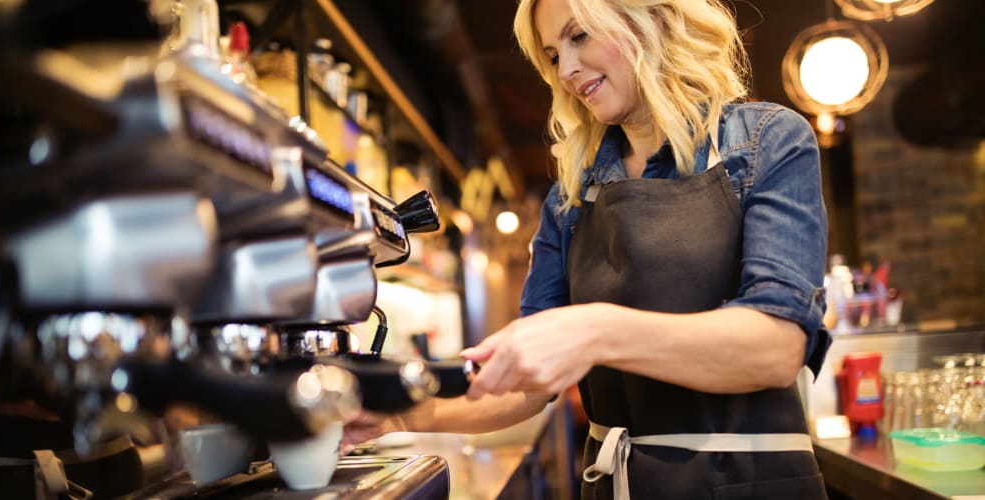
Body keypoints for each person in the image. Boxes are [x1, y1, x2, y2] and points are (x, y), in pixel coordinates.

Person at [344, 0, 833, 497]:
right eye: (553, 55)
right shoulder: (571, 196)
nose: (568, 71)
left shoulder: (764, 142)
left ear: (652, 18)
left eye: (580, 36)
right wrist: (398, 417)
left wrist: (595, 333)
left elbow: (775, 348)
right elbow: (529, 384)